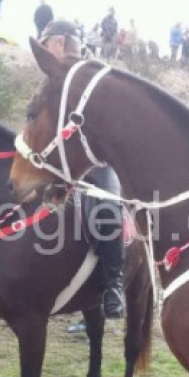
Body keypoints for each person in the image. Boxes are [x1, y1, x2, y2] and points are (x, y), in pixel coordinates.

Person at [38, 20, 128, 334]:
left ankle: (114, 284)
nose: (42, 51)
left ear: (59, 43)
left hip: (95, 162)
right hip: (56, 159)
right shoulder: (52, 78)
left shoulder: (91, 74)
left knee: (106, 208)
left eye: (44, 44)